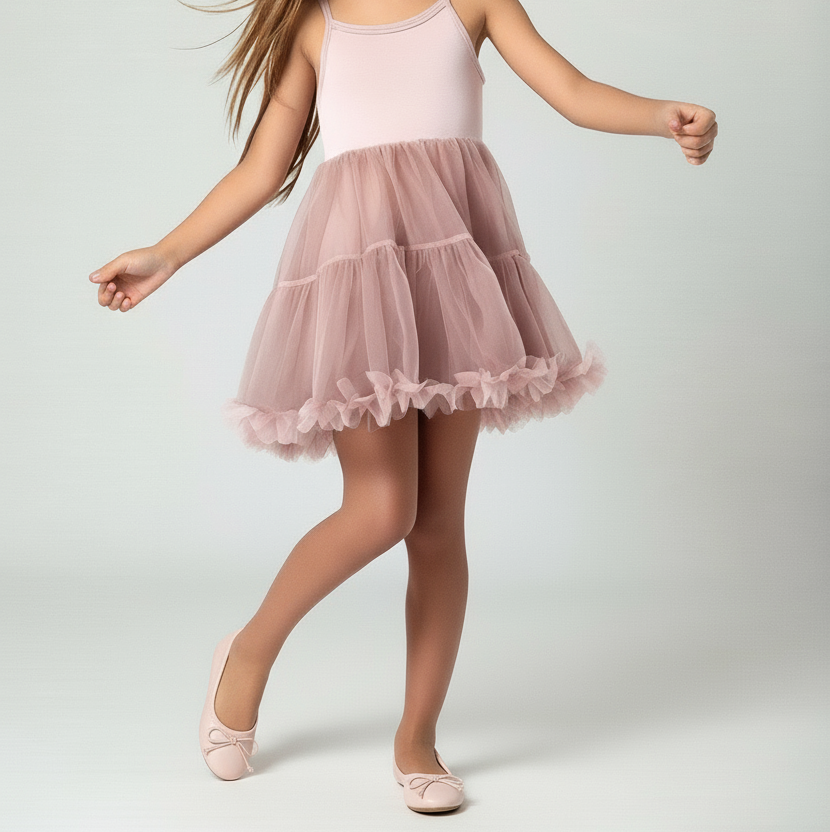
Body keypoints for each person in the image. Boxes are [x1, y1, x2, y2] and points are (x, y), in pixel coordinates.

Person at [88, 0, 717, 814]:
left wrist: (660, 116)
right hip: (361, 276)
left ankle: (417, 737)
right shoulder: (316, 25)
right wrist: (164, 254)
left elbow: (569, 87)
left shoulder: (472, 2)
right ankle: (246, 653)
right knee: (383, 507)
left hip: (456, 271)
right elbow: (260, 169)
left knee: (437, 522)